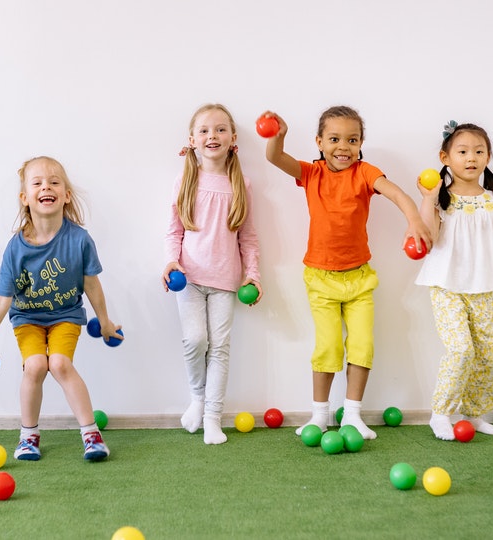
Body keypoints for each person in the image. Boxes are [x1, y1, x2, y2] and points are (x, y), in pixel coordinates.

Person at [263, 106, 432, 440]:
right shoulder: (311, 173)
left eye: (352, 140)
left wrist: (414, 220)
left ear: (361, 143)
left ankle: (352, 415)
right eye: (334, 139)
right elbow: (274, 157)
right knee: (328, 348)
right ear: (319, 142)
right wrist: (278, 136)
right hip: (320, 278)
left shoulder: (365, 173)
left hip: (359, 279)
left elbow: (396, 193)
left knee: (362, 345)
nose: (344, 147)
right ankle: (320, 416)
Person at [0, 156, 120, 462]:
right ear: (25, 198)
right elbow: (0, 301)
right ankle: (28, 437)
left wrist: (105, 322)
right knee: (36, 366)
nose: (46, 187)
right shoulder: (16, 248)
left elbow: (92, 285)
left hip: (66, 316)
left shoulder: (79, 240)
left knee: (60, 364)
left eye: (54, 182)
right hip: (28, 319)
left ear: (66, 195)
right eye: (37, 183)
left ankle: (91, 435)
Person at [415, 122, 493, 441]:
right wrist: (428, 198)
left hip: (481, 288)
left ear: (488, 156)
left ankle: (473, 413)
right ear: (445, 157)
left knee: (488, 354)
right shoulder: (442, 198)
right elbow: (429, 236)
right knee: (460, 350)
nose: (471, 157)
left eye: (478, 151)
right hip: (446, 286)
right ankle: (440, 413)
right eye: (462, 151)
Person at [163, 104, 261, 445]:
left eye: (220, 129)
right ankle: (198, 399)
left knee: (220, 347)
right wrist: (170, 262)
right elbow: (173, 231)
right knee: (195, 340)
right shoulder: (185, 181)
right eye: (204, 130)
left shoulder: (241, 184)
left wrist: (253, 275)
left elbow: (248, 237)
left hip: (225, 281)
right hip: (188, 278)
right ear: (192, 140)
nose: (212, 136)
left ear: (233, 138)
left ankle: (212, 418)